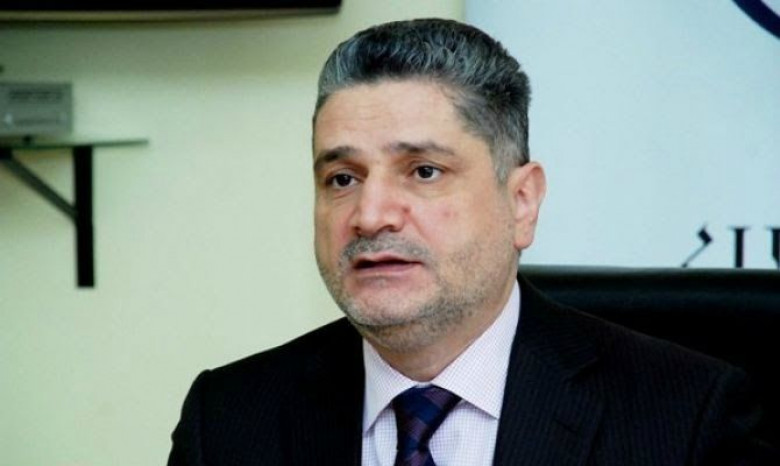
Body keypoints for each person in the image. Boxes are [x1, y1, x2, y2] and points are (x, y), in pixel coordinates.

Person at [167, 18, 776, 465]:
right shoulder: (228, 421)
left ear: (522, 201)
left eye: (423, 171)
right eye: (342, 179)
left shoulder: (685, 419)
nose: (370, 215)